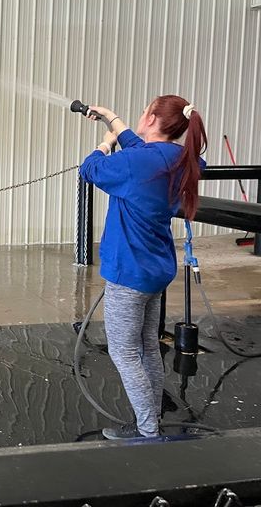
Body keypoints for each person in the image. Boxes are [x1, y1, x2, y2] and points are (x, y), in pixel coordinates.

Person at [79, 95, 207, 439]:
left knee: (124, 351)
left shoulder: (136, 163)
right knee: (148, 345)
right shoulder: (183, 158)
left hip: (129, 271)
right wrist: (111, 118)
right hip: (156, 269)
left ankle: (148, 431)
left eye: (143, 110)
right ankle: (151, 422)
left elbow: (89, 170)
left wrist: (104, 144)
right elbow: (142, 148)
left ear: (151, 117)